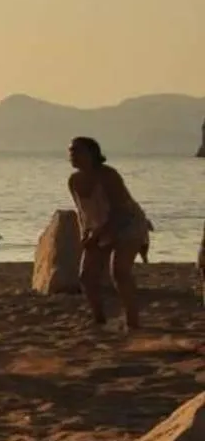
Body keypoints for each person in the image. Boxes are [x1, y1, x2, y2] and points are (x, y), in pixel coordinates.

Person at [67, 136, 153, 331]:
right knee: (86, 276)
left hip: (127, 223)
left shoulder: (108, 175)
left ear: (92, 154)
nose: (73, 155)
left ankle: (133, 323)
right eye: (71, 151)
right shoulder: (74, 180)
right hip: (98, 227)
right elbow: (83, 212)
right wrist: (86, 235)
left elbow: (118, 211)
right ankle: (99, 319)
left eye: (78, 151)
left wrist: (97, 235)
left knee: (120, 271)